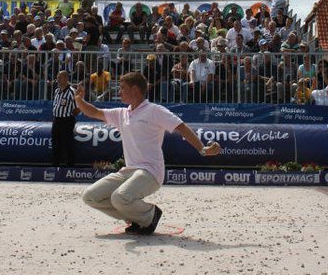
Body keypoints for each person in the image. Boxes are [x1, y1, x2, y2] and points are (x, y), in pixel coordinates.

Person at [76, 71, 221, 235]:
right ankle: (137, 218)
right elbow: (93, 112)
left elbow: (181, 127)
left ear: (135, 90)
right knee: (90, 196)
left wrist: (202, 149)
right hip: (128, 171)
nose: (119, 92)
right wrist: (79, 99)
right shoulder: (122, 113)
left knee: (119, 197)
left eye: (123, 88)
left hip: (150, 172)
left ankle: (150, 215)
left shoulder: (154, 110)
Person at [52, 70, 80, 167]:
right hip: (56, 120)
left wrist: (68, 115)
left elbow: (77, 108)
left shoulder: (72, 92)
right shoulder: (57, 90)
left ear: (66, 78)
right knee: (55, 143)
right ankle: (55, 165)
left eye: (60, 78)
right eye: (57, 78)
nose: (58, 80)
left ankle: (70, 166)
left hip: (67, 120)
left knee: (68, 144)